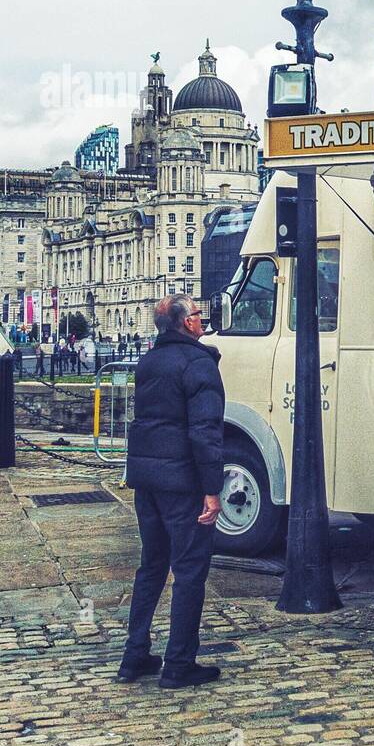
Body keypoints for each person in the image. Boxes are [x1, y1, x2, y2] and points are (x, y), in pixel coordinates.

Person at [119, 294, 224, 690]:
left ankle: (134, 655)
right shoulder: (198, 362)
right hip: (182, 482)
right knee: (190, 570)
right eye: (197, 314)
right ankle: (179, 662)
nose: (202, 319)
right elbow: (205, 431)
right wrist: (211, 489)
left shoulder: (149, 361)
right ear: (186, 324)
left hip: (148, 478)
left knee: (152, 566)